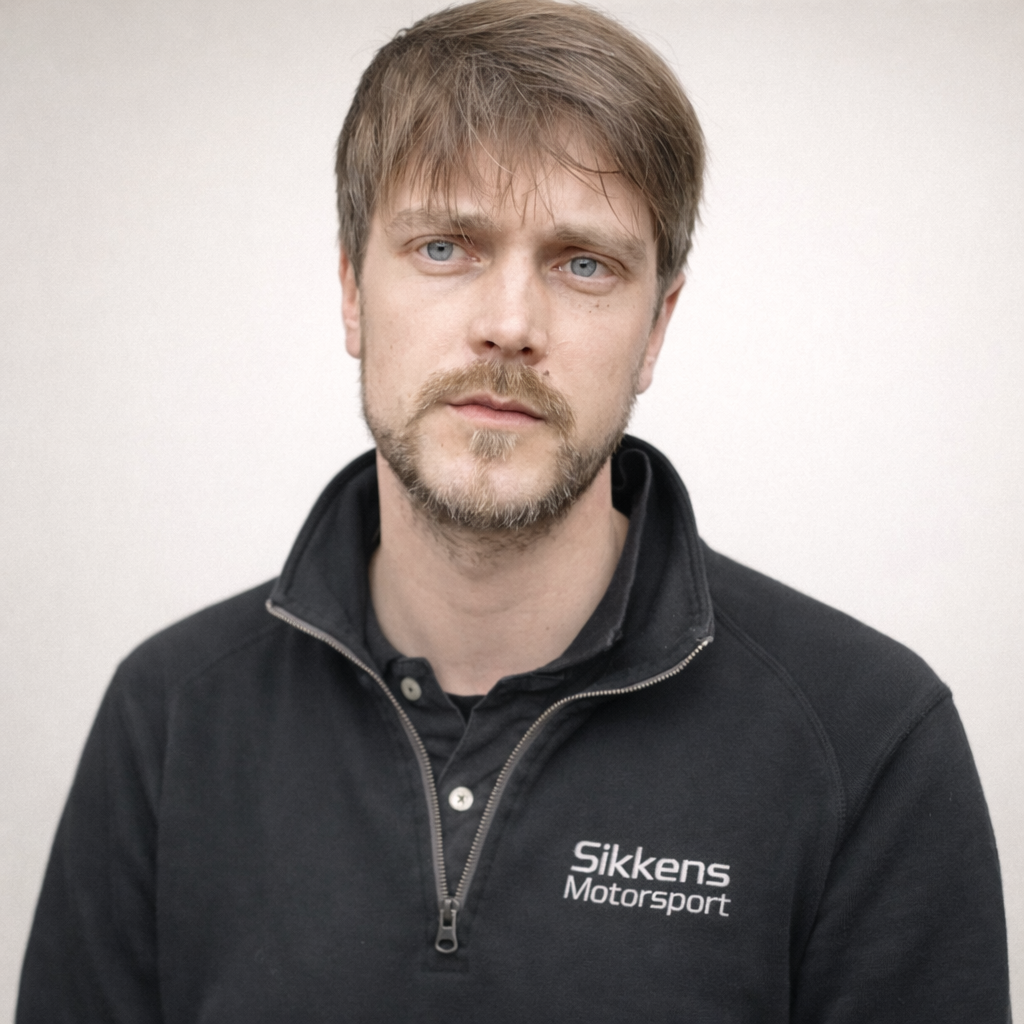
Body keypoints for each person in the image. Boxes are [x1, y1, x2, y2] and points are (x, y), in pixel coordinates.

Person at [16, 1, 1009, 1020]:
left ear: (656, 326)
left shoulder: (868, 738)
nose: (508, 325)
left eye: (584, 264)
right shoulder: (174, 716)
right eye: (446, 246)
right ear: (353, 288)